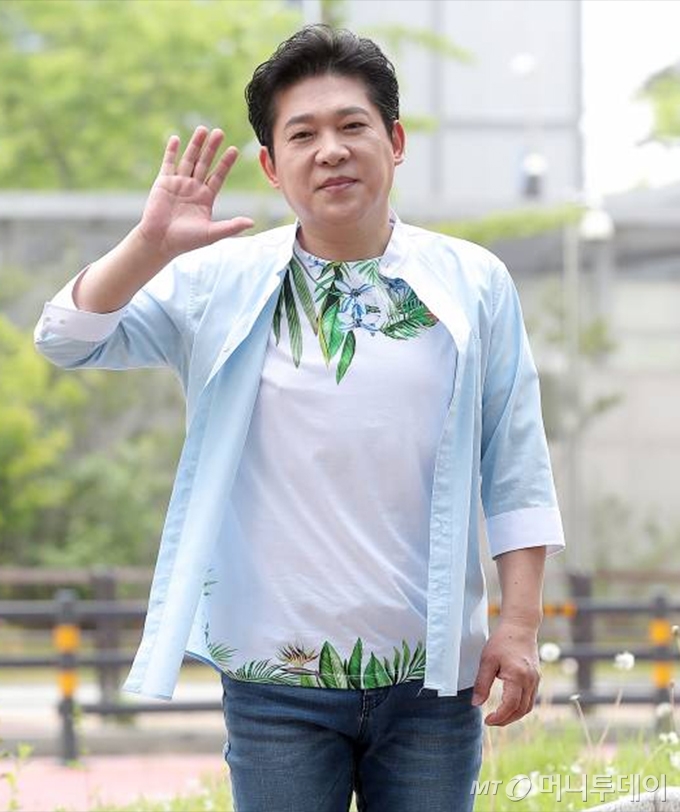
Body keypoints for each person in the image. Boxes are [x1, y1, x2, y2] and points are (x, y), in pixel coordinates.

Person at [35, 24, 565, 812]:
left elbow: (515, 465)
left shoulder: (472, 282)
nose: (331, 150)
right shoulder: (219, 281)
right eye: (303, 134)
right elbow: (66, 339)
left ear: (395, 142)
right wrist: (150, 246)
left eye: (352, 126)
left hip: (433, 682)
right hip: (272, 681)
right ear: (271, 166)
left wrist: (518, 627)